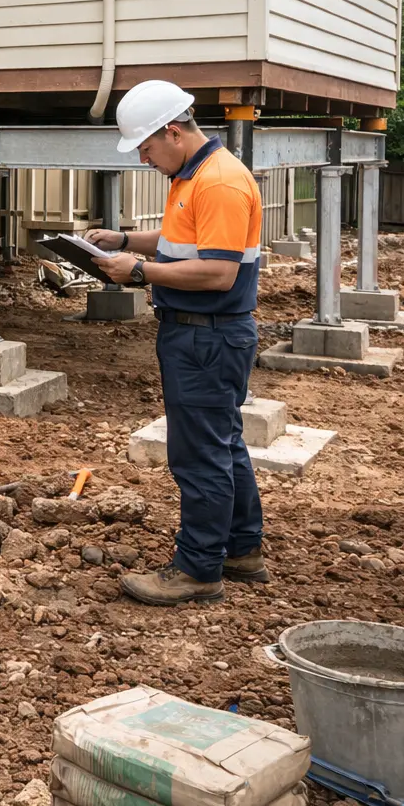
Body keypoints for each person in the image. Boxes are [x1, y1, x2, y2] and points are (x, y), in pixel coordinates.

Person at [84, 79, 267, 607]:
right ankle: (240, 549)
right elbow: (182, 243)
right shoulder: (194, 175)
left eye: (145, 147)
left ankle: (197, 569)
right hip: (199, 333)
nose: (143, 159)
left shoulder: (219, 182)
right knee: (223, 444)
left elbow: (216, 272)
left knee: (198, 455)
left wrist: (139, 271)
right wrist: (122, 240)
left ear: (173, 131)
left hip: (205, 336)